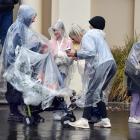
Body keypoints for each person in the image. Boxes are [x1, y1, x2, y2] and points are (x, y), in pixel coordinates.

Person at [67, 16, 117, 128]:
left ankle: (84, 120)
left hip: (103, 65)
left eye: (90, 24)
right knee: (97, 93)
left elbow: (91, 53)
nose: (88, 26)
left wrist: (76, 53)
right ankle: (105, 120)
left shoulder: (89, 35)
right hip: (111, 64)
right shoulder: (99, 35)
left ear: (92, 24)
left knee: (90, 91)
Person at [1, 4, 38, 122]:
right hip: (14, 65)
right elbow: (14, 48)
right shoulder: (17, 28)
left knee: (18, 88)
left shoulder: (21, 27)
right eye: (33, 17)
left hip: (18, 65)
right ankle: (13, 112)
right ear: (26, 16)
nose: (34, 19)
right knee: (14, 88)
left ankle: (16, 111)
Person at [48, 20, 73, 120]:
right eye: (54, 31)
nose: (55, 33)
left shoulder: (68, 42)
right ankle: (59, 109)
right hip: (53, 70)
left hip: (63, 70)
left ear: (62, 30)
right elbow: (49, 57)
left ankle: (62, 109)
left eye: (57, 30)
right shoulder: (51, 42)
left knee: (61, 89)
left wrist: (63, 58)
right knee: (56, 90)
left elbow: (70, 58)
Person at [125, 42, 140, 123]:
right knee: (136, 98)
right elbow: (129, 70)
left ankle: (137, 116)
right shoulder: (132, 60)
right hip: (134, 81)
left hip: (138, 80)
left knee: (138, 99)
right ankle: (131, 116)